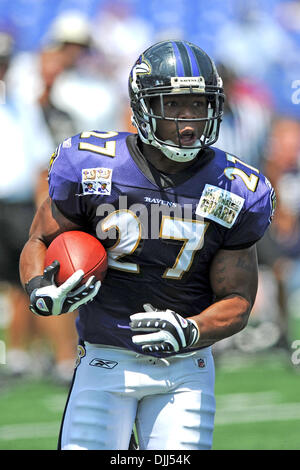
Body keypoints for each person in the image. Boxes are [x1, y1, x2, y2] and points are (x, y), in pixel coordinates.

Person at [19, 40, 275, 451]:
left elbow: (238, 300)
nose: (189, 121)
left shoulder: (235, 189)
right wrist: (39, 289)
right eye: (174, 106)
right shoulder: (92, 165)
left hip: (184, 368)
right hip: (105, 358)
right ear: (142, 106)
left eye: (198, 105)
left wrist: (191, 330)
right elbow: (39, 240)